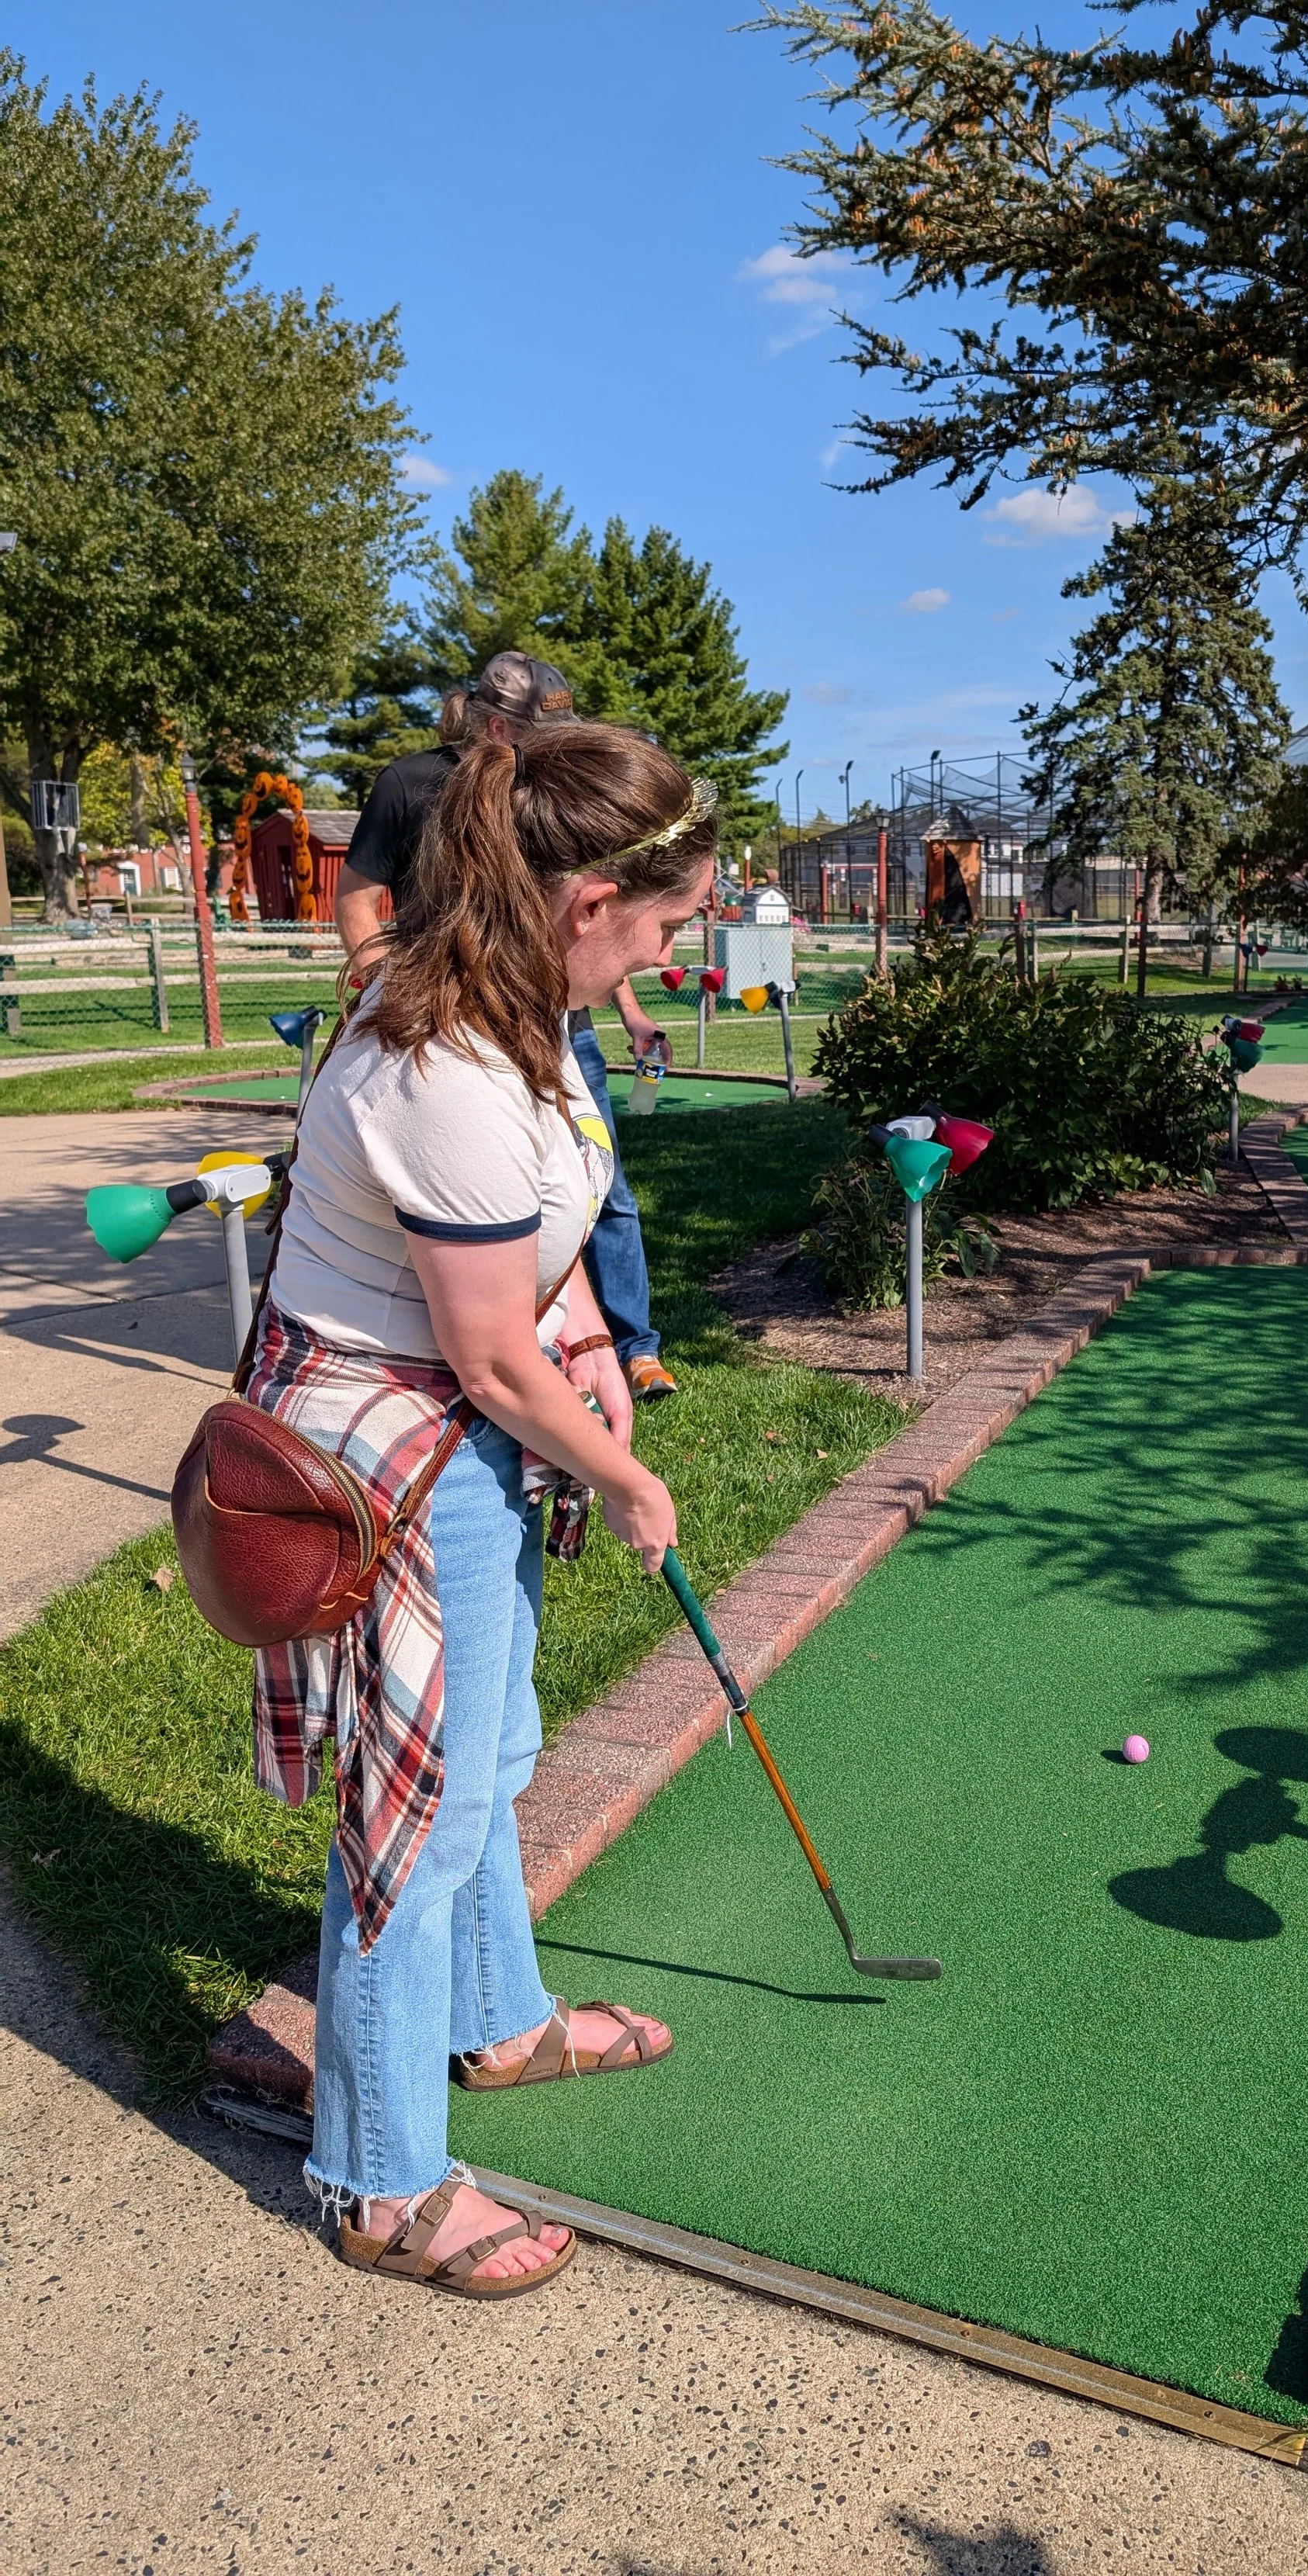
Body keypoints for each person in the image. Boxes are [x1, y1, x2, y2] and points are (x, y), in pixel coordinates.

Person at [255, 719, 716, 2297]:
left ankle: (498, 2025)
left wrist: (588, 1350)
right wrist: (624, 1465)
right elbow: (481, 1350)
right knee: (416, 1816)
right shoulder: (443, 1058)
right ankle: (379, 2181)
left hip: (470, 1421)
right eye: (660, 926)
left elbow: (544, 1248)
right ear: (586, 899)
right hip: (403, 1436)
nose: (664, 953)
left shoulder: (520, 1012)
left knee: (492, 1755)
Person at [337, 652, 680, 1404]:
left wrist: (627, 1010)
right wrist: (385, 993)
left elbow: (597, 920)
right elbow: (358, 901)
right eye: (542, 732)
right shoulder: (411, 785)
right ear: (497, 726)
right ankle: (478, 1344)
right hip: (451, 1024)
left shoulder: (548, 796)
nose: (556, 746)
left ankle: (626, 1343)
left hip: (555, 1019)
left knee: (597, 1183)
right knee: (465, 1204)